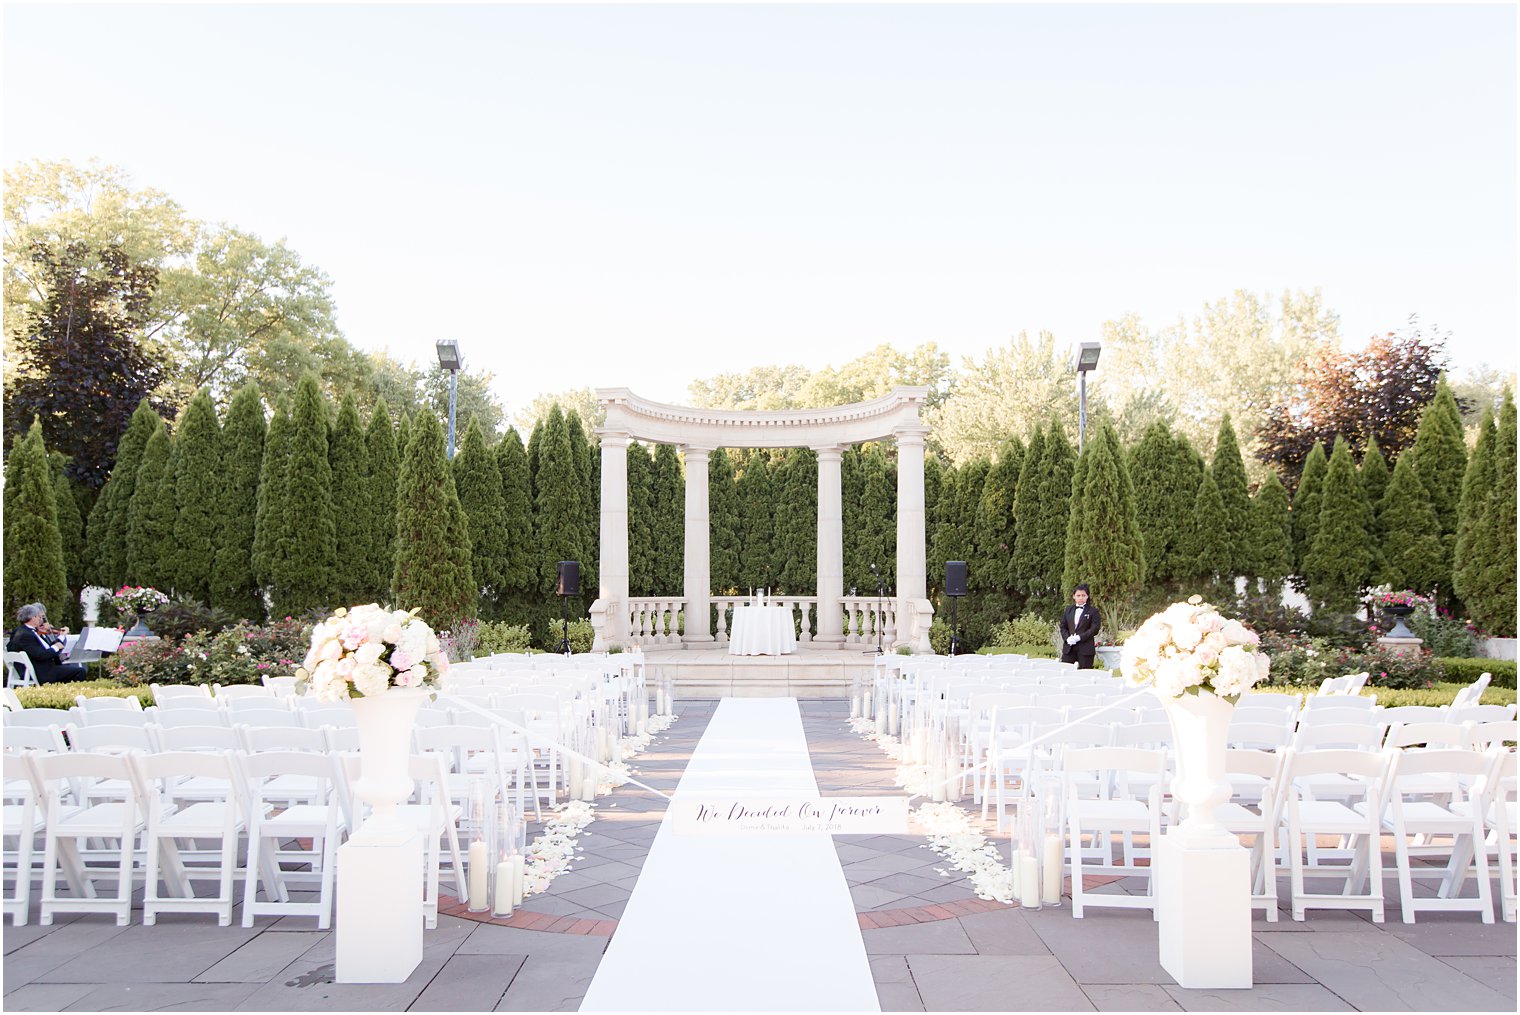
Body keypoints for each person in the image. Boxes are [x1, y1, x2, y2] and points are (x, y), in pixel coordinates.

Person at [7, 603, 88, 684]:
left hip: (43, 668)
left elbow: (46, 648)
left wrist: (60, 639)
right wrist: (56, 647)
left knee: (70, 669)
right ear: (33, 618)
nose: (41, 620)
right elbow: (41, 655)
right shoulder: (26, 635)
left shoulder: (23, 631)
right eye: (39, 617)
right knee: (80, 671)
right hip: (43, 672)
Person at [1058, 584, 1101, 670]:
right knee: (1066, 672)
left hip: (1085, 649)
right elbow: (1063, 626)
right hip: (1069, 649)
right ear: (1074, 596)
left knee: (1085, 674)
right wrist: (1067, 638)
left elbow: (1094, 629)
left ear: (1087, 596)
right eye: (1078, 595)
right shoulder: (1068, 610)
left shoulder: (1093, 611)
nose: (1081, 598)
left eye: (1083, 595)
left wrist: (1079, 637)